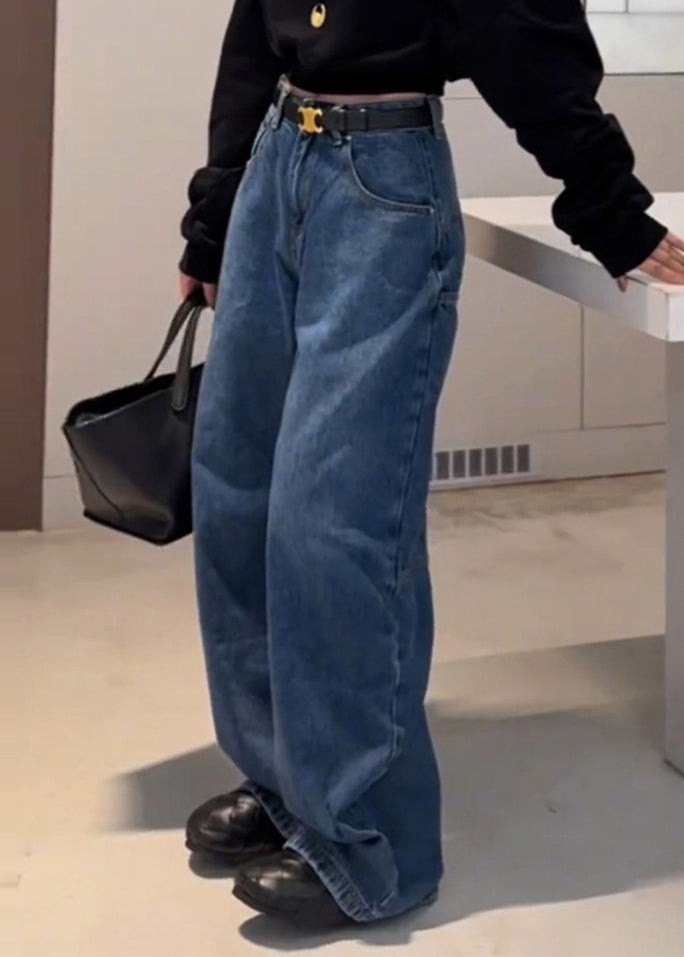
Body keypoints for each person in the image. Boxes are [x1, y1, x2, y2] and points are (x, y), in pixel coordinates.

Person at [179, 0, 684, 931]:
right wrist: (215, 213)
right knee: (238, 497)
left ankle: (373, 845)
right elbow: (257, 23)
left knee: (335, 518)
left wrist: (610, 205)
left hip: (381, 181)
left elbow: (521, 25)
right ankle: (290, 786)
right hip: (276, 159)